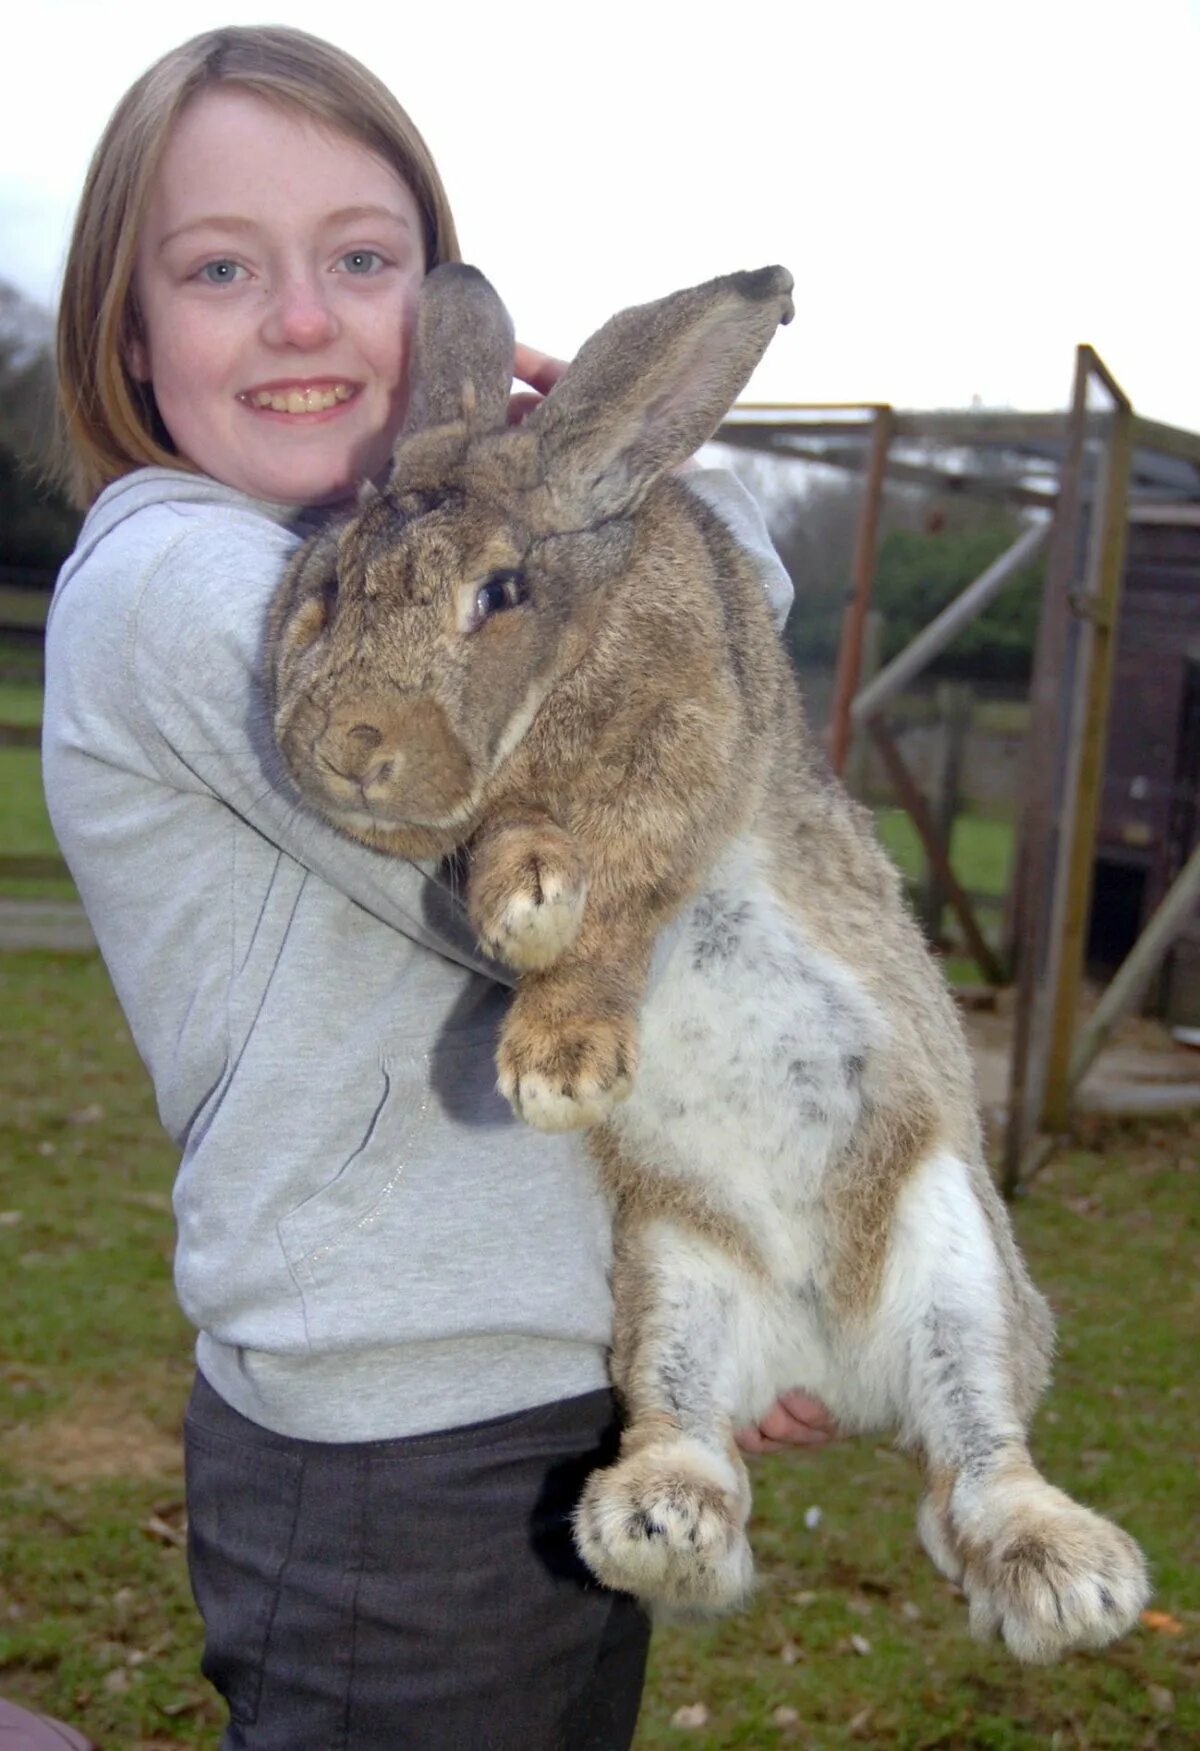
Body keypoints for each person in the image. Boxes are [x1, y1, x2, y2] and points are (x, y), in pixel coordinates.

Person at [43, 25, 834, 1750]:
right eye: (222, 269)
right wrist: (601, 510)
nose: (306, 321)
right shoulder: (193, 592)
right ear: (129, 328)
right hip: (392, 1447)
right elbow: (626, 813)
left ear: (445, 304)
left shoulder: (391, 575)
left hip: (571, 1367)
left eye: (365, 260)